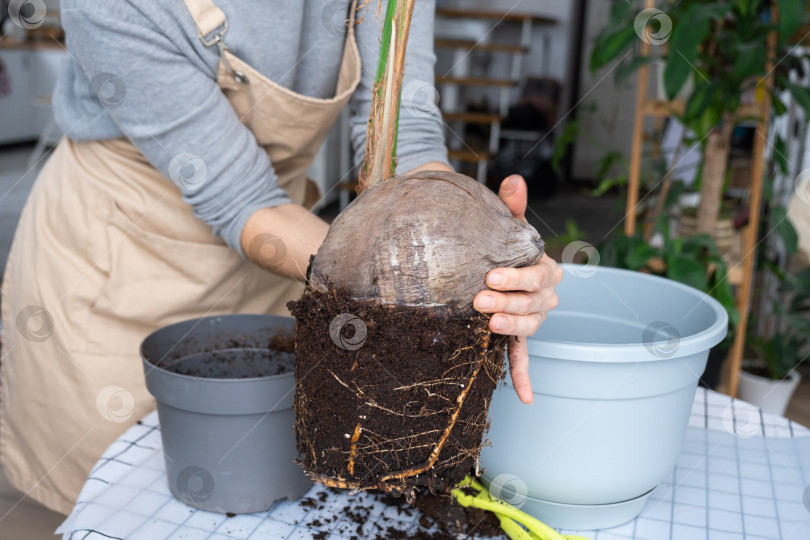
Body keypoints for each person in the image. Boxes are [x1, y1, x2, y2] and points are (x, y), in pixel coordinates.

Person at [0, 0, 562, 516]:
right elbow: (241, 197)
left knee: (268, 486)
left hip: (292, 255)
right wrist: (412, 288)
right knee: (130, 503)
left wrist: (473, 250)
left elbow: (403, 136)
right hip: (123, 255)